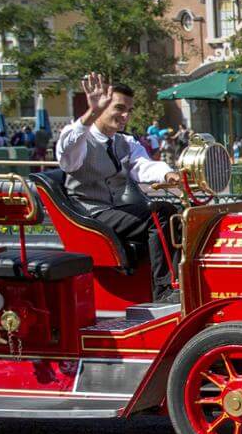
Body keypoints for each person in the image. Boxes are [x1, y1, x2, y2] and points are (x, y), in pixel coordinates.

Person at [55, 74, 181, 299]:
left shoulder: (125, 142)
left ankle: (180, 279)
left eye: (129, 110)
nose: (125, 116)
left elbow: (143, 166)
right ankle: (164, 290)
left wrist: (170, 175)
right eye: (119, 108)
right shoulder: (79, 138)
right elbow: (67, 156)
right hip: (89, 214)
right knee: (160, 214)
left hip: (113, 210)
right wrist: (91, 113)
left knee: (176, 214)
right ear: (101, 106)